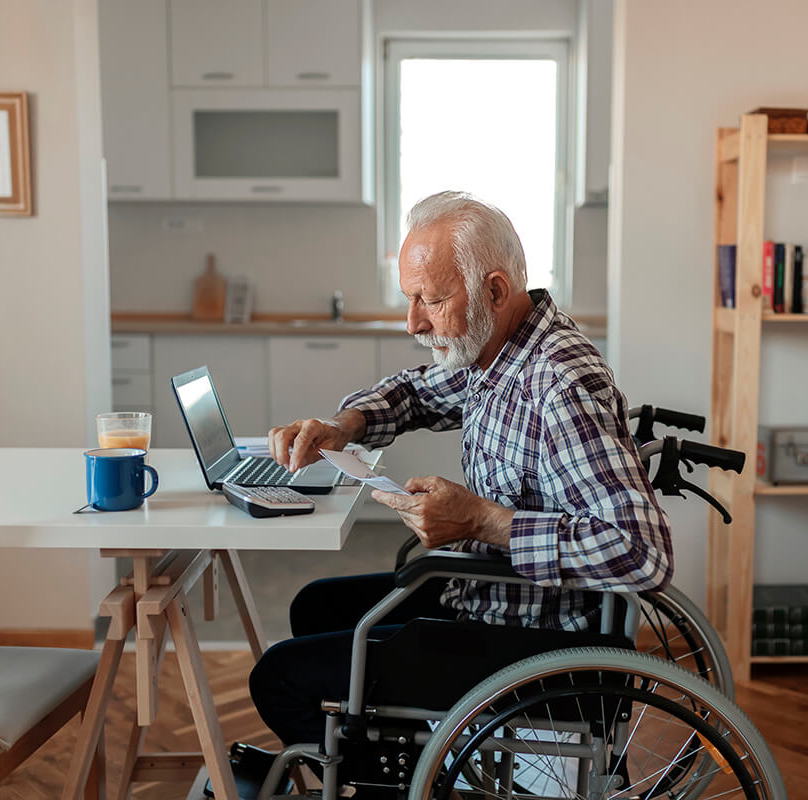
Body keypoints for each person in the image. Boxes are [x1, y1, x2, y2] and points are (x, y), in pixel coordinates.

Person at [247, 190, 673, 755]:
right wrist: (343, 424)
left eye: (429, 300)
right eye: (409, 299)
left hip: (530, 642)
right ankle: (387, 762)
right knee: (314, 606)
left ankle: (393, 779)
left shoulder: (560, 384)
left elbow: (643, 551)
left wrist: (480, 520)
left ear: (494, 290)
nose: (412, 322)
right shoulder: (496, 350)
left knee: (278, 676)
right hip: (484, 597)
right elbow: (418, 392)